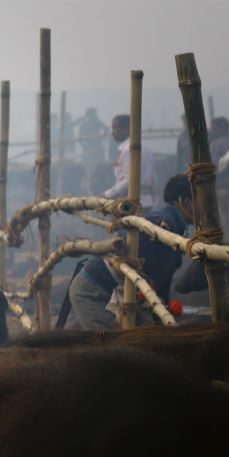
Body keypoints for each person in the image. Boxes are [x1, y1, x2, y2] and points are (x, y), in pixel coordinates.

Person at [64, 174, 192, 330]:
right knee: (112, 346)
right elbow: (126, 243)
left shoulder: (176, 231)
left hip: (108, 290)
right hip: (94, 290)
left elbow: (161, 284)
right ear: (185, 201)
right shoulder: (164, 223)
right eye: (200, 201)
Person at [102, 114, 158, 208]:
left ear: (127, 129)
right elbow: (154, 178)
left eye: (115, 128)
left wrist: (108, 195)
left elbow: (129, 180)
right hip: (146, 201)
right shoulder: (145, 147)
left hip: (132, 203)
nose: (113, 133)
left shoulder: (130, 149)